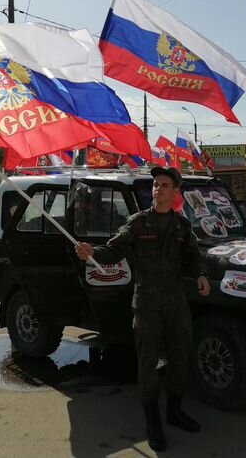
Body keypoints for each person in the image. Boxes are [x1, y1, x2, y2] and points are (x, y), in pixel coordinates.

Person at [75, 167, 211, 452]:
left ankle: (174, 412)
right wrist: (91, 252)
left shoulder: (182, 227)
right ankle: (153, 422)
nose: (158, 189)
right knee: (148, 365)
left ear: (175, 193)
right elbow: (113, 250)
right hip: (147, 307)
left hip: (176, 306)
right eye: (155, 185)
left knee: (179, 359)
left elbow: (194, 258)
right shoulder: (138, 223)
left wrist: (200, 275)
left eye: (164, 185)